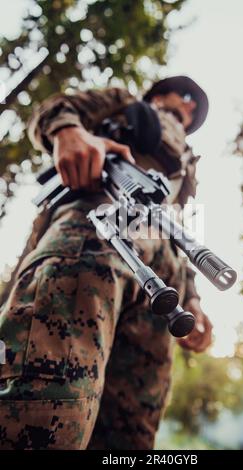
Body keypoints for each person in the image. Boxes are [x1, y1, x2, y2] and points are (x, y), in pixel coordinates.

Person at [0, 75, 212, 450]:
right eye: (185, 96)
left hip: (164, 274)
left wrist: (192, 296)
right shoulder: (124, 102)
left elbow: (180, 222)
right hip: (98, 226)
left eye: (195, 104)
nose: (191, 106)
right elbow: (53, 109)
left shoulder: (188, 164)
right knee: (46, 400)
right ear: (159, 96)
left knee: (131, 431)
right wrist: (69, 132)